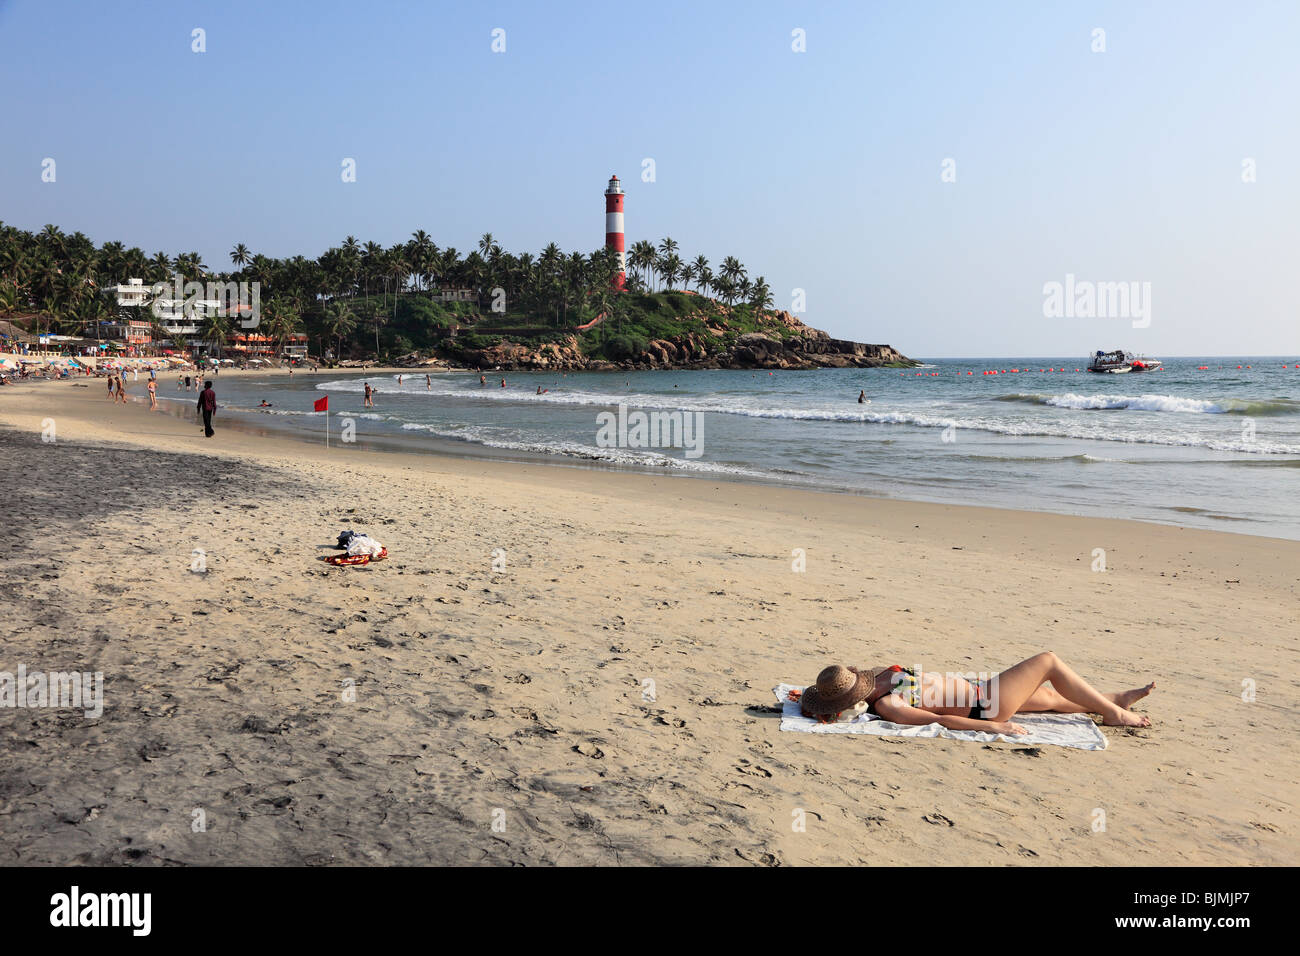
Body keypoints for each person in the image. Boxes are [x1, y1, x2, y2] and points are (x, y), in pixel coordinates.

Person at [797, 653, 1154, 733]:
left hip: (982, 690)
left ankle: (1113, 699)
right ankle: (1115, 715)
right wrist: (996, 728)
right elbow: (940, 720)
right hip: (986, 706)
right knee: (1048, 663)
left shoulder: (879, 679)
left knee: (1052, 699)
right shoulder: (889, 705)